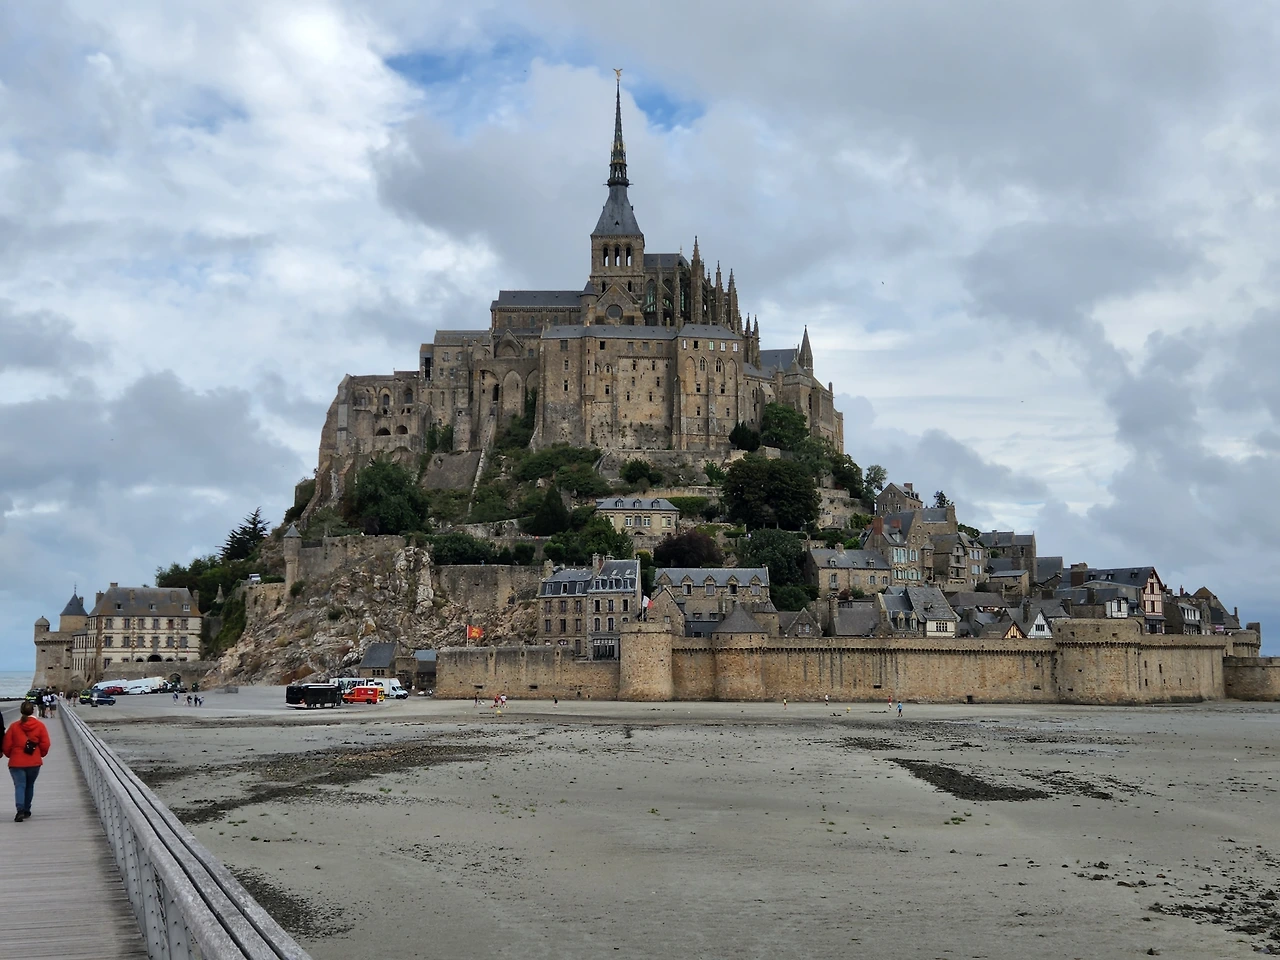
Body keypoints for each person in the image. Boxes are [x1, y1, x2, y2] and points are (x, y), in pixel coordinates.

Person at [3, 701, 51, 821]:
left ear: (21, 711)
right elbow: (45, 743)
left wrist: (10, 755)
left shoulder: (14, 726)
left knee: (20, 785)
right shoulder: (40, 726)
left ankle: (20, 809)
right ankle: (26, 809)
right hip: (34, 761)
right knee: (29, 785)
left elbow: (6, 744)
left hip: (16, 762)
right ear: (33, 711)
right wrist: (41, 754)